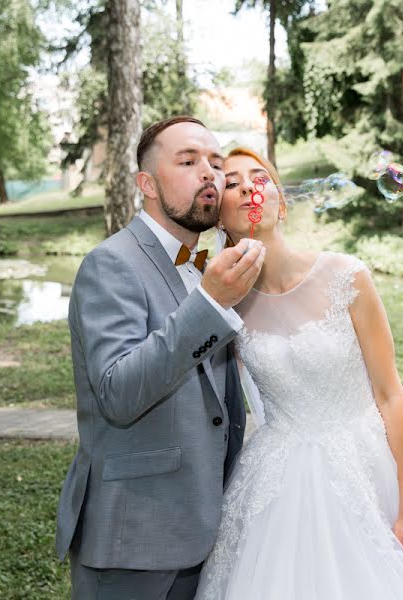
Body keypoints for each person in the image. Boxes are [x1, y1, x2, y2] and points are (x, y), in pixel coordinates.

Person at [194, 147, 403, 599]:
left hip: (365, 468)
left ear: (281, 200)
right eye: (232, 184)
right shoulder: (225, 301)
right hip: (278, 486)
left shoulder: (346, 276)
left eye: (261, 177)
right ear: (220, 218)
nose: (250, 187)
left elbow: (391, 394)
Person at [54, 116, 265, 599]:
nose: (209, 173)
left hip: (203, 524)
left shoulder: (205, 264)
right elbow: (118, 392)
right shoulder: (111, 263)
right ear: (146, 184)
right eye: (188, 161)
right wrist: (210, 305)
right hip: (134, 532)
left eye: (216, 162)